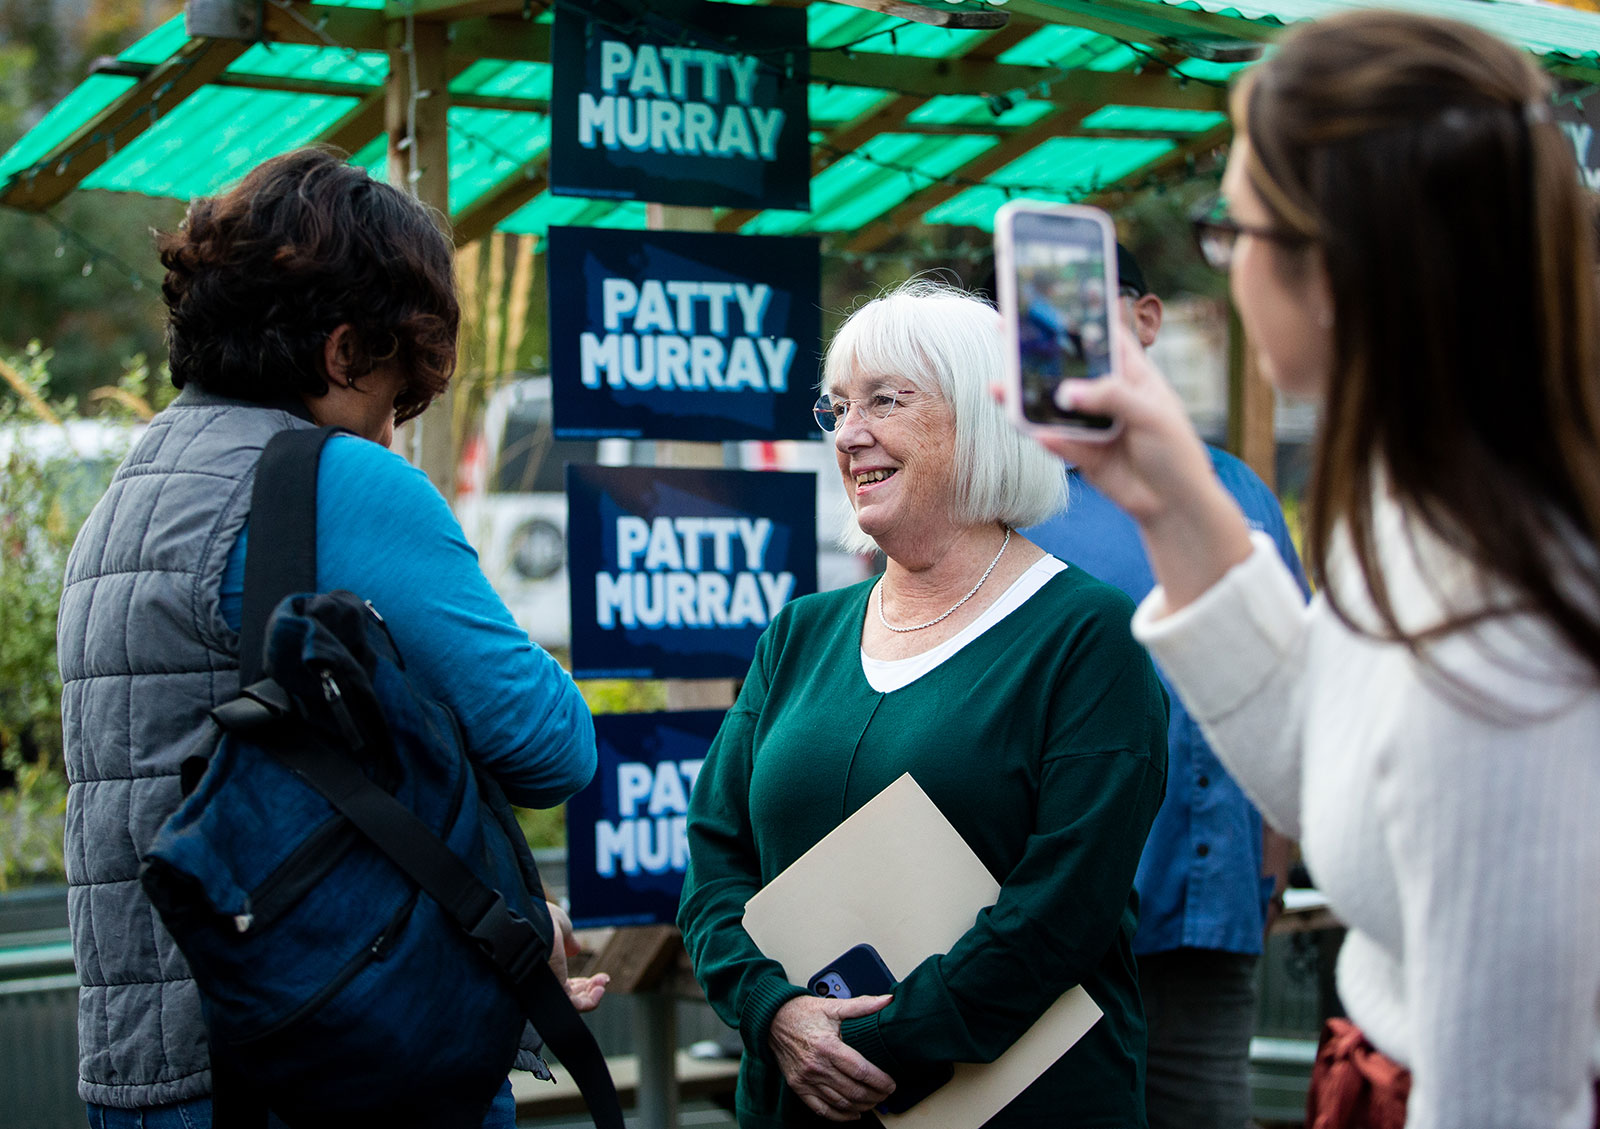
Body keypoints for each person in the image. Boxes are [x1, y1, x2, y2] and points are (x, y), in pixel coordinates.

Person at [1033, 12, 1600, 1129]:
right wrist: (1170, 498)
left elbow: (1510, 1094)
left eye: (1229, 228)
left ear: (1334, 264)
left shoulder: (1501, 616)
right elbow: (1346, 783)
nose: (1228, 264)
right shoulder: (1436, 504)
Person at [57, 147, 605, 1129]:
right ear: (345, 351)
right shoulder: (329, 479)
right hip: (327, 1062)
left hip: (146, 1071)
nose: (390, 435)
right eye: (393, 402)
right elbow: (550, 744)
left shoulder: (125, 499)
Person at [678, 280, 1170, 1128]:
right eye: (838, 407)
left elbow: (1064, 911)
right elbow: (715, 861)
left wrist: (872, 1043)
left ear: (981, 415)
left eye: (886, 401)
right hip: (798, 1096)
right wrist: (775, 1012)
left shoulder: (1089, 636)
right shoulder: (800, 632)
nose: (851, 433)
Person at [1023, 243, 1306, 1129]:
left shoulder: (1238, 492)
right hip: (1047, 922)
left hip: (1207, 918)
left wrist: (1267, 874)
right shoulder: (1003, 496)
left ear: (1145, 321)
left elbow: (1292, 685)